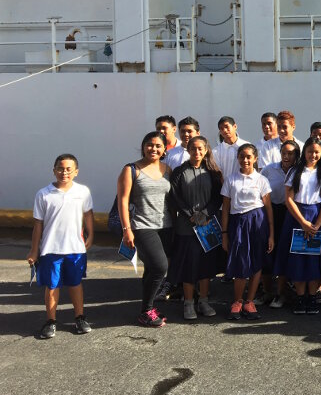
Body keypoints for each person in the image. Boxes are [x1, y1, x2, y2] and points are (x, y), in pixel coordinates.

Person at [27, 154, 95, 339]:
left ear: (76, 172)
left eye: (68, 169)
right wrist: (34, 250)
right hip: (50, 250)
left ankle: (80, 318)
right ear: (54, 170)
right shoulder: (43, 194)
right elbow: (38, 224)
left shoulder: (82, 192)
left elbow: (88, 214)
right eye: (60, 168)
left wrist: (91, 234)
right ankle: (51, 321)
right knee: (52, 286)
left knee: (75, 284)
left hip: (75, 249)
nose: (64, 172)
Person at [117, 131, 173, 328]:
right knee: (160, 267)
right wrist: (127, 229)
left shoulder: (168, 169)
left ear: (165, 149)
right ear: (143, 146)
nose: (154, 149)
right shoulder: (131, 169)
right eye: (150, 145)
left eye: (158, 145)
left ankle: (147, 309)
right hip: (142, 226)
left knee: (151, 269)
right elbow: (123, 202)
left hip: (166, 226)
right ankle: (146, 310)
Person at [168, 136, 223, 320]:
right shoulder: (179, 172)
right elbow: (175, 197)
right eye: (193, 149)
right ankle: (189, 302)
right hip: (186, 227)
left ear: (206, 150)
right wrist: (190, 214)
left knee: (205, 266)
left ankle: (204, 301)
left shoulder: (213, 172)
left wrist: (205, 214)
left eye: (200, 149)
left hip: (206, 226)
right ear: (188, 150)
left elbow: (218, 197)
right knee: (189, 266)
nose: (197, 152)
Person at [276, 137, 321, 314]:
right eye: (310, 151)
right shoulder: (295, 171)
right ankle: (300, 298)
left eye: (316, 152)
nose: (313, 155)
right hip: (297, 218)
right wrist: (303, 222)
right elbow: (289, 199)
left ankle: (311, 296)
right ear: (304, 152)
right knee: (298, 258)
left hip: (317, 218)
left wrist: (317, 224)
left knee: (313, 258)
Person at [220, 143, 274, 320]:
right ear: (238, 158)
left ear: (255, 158)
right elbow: (226, 209)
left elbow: (268, 209)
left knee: (256, 262)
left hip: (258, 223)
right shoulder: (231, 179)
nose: (245, 160)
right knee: (240, 262)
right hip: (238, 223)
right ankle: (237, 301)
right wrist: (225, 233)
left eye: (249, 156)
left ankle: (249, 302)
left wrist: (271, 234)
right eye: (242, 156)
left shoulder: (262, 180)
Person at [260, 139, 300, 308]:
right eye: (284, 152)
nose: (286, 156)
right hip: (271, 212)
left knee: (284, 253)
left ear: (297, 155)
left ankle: (281, 293)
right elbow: (259, 189)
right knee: (267, 252)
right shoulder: (269, 169)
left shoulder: (300, 171)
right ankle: (267, 292)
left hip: (292, 214)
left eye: (290, 153)